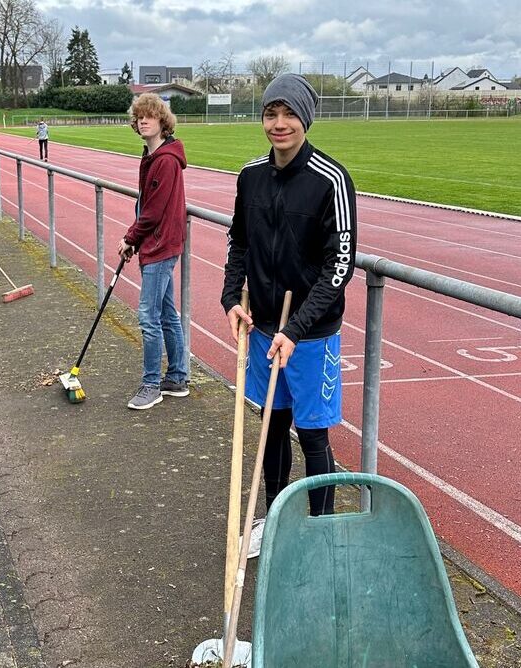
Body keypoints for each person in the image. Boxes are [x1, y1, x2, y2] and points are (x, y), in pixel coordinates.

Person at [221, 74, 357, 556]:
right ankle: (277, 518)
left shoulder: (330, 179)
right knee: (272, 427)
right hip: (263, 326)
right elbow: (239, 241)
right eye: (270, 114)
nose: (279, 124)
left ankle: (322, 532)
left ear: (305, 120)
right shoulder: (250, 176)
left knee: (313, 434)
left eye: (289, 114)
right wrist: (230, 297)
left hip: (311, 334)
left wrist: (296, 329)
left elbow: (340, 265)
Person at [117, 93, 189, 410]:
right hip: (155, 243)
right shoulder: (151, 156)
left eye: (150, 116)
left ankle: (151, 385)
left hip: (160, 245)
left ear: (162, 121)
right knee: (167, 314)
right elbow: (146, 205)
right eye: (139, 117)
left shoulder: (165, 161)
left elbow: (154, 211)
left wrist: (130, 237)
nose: (143, 121)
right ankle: (177, 378)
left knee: (148, 317)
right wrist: (136, 239)